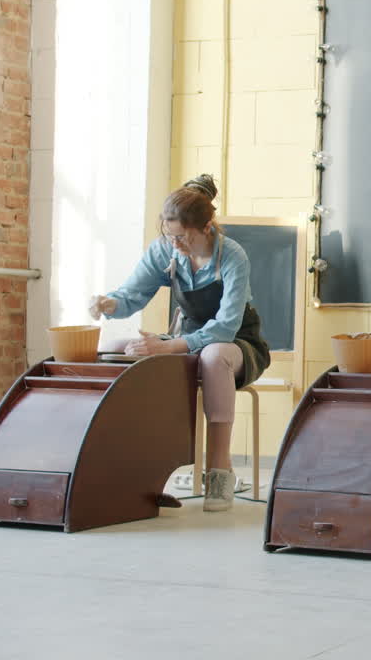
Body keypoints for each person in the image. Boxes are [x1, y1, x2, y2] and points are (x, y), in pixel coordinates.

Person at [89, 174, 271, 512]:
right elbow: (132, 295)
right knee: (117, 348)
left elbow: (225, 328)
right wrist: (108, 304)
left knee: (213, 358)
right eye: (169, 235)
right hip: (186, 339)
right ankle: (139, 472)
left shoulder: (232, 255)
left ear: (205, 228)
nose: (174, 244)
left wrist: (169, 347)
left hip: (236, 342)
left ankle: (218, 472)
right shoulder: (164, 249)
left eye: (182, 237)